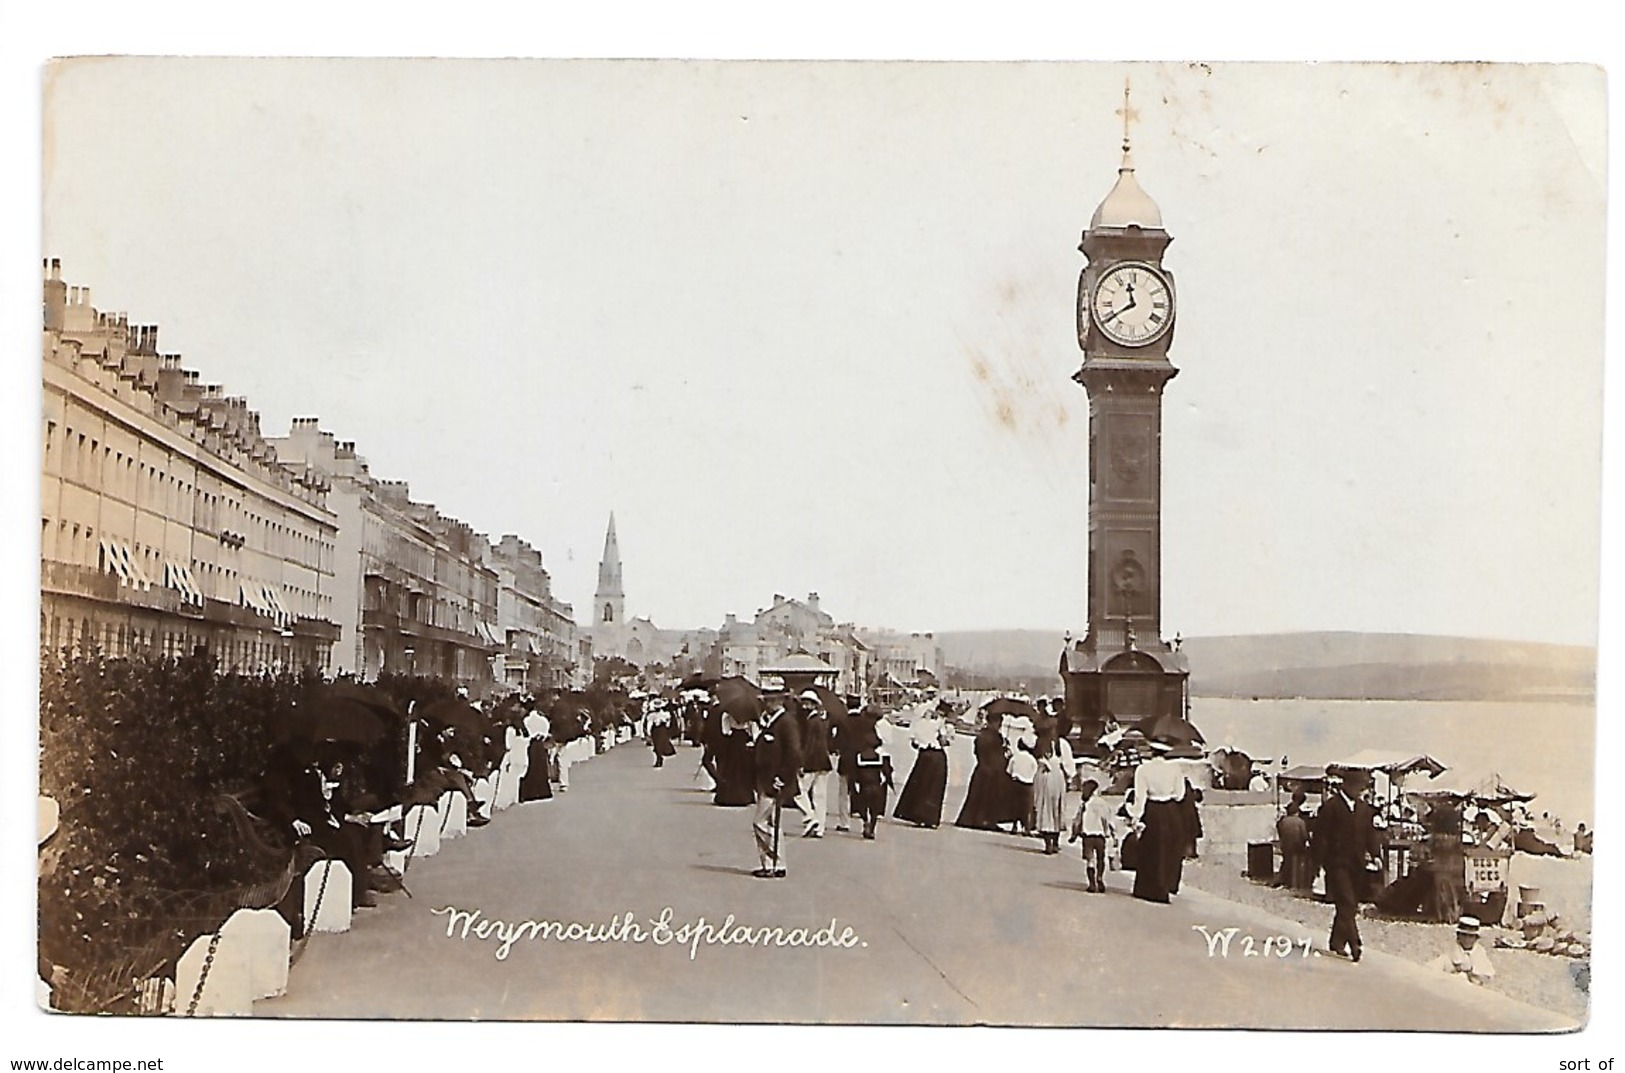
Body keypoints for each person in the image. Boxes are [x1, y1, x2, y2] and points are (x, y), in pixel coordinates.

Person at [1312, 768, 1367, 962]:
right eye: (1357, 787)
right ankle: (1355, 943)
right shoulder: (1331, 807)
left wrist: (1375, 854)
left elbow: (1369, 835)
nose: (1360, 791)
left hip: (1357, 864)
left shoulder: (1363, 808)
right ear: (1346, 785)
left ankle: (1336, 941)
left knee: (1348, 904)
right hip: (1336, 863)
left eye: (1362, 788)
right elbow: (1320, 837)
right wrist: (1317, 864)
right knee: (1347, 901)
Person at [1124, 738, 1188, 904]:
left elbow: (1140, 797)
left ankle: (1150, 888)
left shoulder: (1143, 769)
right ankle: (1167, 884)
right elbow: (1180, 794)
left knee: (1152, 849)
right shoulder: (1175, 768)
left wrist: (1135, 817)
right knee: (1170, 848)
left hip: (1153, 810)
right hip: (1170, 810)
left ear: (1151, 750)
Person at [750, 694, 801, 877]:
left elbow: (794, 753)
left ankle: (774, 860)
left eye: (769, 700)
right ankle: (774, 864)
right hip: (765, 777)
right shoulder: (772, 721)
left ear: (778, 701)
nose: (766, 704)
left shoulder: (786, 723)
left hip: (774, 780)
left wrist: (783, 777)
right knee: (770, 821)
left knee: (760, 822)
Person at [893, 700, 953, 828]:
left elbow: (914, 743)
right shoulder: (941, 723)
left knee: (921, 785)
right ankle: (931, 818)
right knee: (935, 788)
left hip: (924, 756)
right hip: (937, 756)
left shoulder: (918, 724)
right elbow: (943, 741)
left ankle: (917, 815)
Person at [955, 712, 1011, 830]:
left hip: (981, 768)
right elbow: (997, 756)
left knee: (976, 795)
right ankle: (985, 820)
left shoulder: (981, 735)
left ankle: (971, 819)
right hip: (993, 771)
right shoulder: (997, 737)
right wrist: (1005, 748)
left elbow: (977, 752)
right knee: (989, 796)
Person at [847, 705, 893, 840]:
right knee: (876, 800)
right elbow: (887, 745)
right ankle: (872, 824)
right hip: (877, 768)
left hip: (861, 765)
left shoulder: (860, 725)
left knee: (860, 797)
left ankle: (865, 820)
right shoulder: (883, 726)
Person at [794, 690, 835, 838]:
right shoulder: (821, 721)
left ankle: (810, 817)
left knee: (799, 791)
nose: (805, 706)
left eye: (807, 703)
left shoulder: (811, 722)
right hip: (823, 761)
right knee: (820, 795)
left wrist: (802, 763)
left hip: (812, 762)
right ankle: (820, 827)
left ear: (813, 705)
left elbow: (809, 745)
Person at [1069, 779, 1115, 892]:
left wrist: (1074, 835)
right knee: (1101, 859)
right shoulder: (1103, 804)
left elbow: (1077, 821)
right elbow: (1108, 820)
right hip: (1100, 836)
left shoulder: (1085, 804)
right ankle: (1099, 877)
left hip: (1088, 836)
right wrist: (1110, 833)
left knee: (1090, 860)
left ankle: (1092, 883)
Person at [1430, 916, 1496, 984]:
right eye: (1464, 935)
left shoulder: (1480, 954)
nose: (1467, 940)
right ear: (1458, 936)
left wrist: (1471, 973)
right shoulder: (1449, 952)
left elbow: (1488, 977)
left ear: (1476, 938)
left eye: (1471, 936)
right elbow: (1430, 971)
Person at [1032, 733, 1069, 854]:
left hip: (1046, 780)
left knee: (1046, 811)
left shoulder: (1042, 759)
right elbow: (1069, 768)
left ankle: (1049, 843)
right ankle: (1055, 842)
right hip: (1057, 780)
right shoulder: (1059, 749)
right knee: (1056, 810)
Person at [1274, 800, 1312, 890]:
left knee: (1287, 861)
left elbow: (1279, 831)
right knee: (1298, 863)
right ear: (1297, 812)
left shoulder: (1283, 821)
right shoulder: (1300, 822)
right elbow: (1305, 836)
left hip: (1285, 846)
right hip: (1297, 846)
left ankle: (1284, 880)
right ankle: (1296, 884)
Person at [648, 699, 677, 768]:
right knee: (656, 744)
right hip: (655, 730)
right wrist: (648, 732)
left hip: (662, 730)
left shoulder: (665, 714)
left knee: (660, 744)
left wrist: (665, 723)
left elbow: (668, 722)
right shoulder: (652, 715)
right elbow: (649, 723)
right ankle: (659, 757)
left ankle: (659, 759)